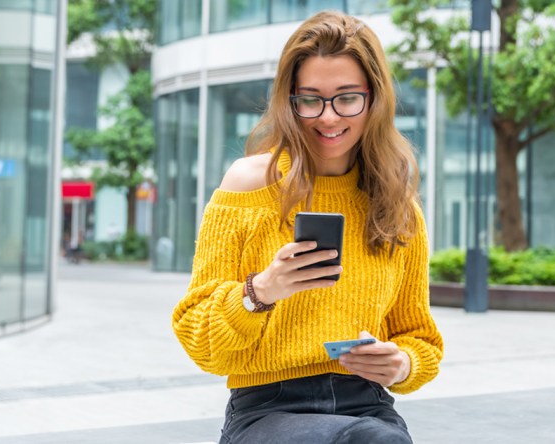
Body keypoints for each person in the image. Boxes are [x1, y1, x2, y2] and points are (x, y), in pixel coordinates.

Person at [171, 10, 443, 444]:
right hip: (267, 407)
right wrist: (259, 292)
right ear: (289, 100)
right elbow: (199, 341)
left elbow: (420, 338)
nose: (328, 118)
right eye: (310, 99)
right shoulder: (248, 185)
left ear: (374, 98)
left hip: (368, 405)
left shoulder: (397, 204)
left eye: (347, 98)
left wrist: (402, 364)